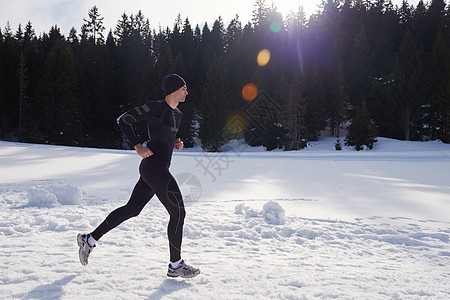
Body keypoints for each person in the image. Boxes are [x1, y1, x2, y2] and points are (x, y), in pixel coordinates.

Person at [77, 74, 200, 278]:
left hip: (156, 168)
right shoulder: (155, 107)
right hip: (154, 167)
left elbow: (165, 136)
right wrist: (137, 146)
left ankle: (89, 239)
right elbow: (124, 120)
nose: (187, 92)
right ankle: (175, 264)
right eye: (184, 88)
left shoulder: (178, 114)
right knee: (178, 212)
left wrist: (175, 143)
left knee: (132, 209)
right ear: (173, 90)